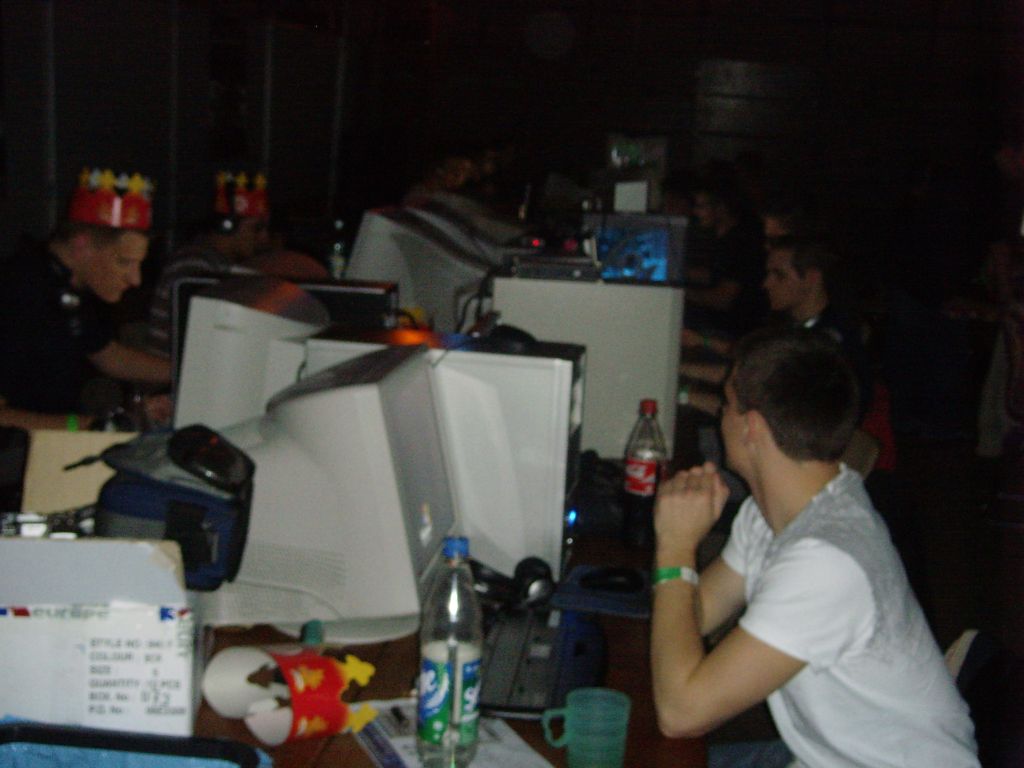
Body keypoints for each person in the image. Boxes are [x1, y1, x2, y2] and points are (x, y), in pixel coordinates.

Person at [651, 327, 978, 767]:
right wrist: (678, 562)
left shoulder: (827, 561)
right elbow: (696, 613)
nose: (721, 416)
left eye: (727, 405)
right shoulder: (776, 513)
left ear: (751, 428)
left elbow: (682, 713)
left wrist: (675, 547)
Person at [0, 168, 171, 430]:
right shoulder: (18, 294)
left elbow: (108, 355)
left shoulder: (70, 285)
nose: (136, 279)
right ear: (82, 246)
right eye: (123, 262)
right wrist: (89, 426)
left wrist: (188, 373)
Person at [145, 170, 271, 357]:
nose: (264, 238)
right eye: (257, 228)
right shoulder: (195, 265)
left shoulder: (214, 262)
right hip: (172, 371)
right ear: (227, 226)